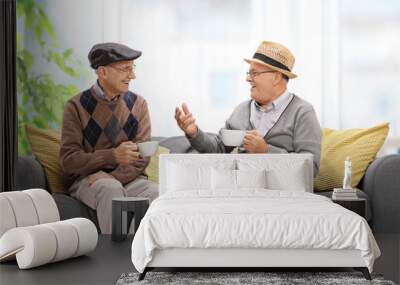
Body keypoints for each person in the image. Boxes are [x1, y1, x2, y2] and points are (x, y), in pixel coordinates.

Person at [175, 41, 322, 175]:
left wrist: (266, 151)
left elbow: (311, 167)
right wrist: (194, 132)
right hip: (243, 192)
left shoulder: (302, 112)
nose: (248, 78)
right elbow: (218, 150)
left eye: (255, 73)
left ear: (276, 77)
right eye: (248, 73)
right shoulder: (242, 110)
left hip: (286, 197)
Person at [60, 42, 158, 234]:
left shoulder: (138, 104)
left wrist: (113, 175)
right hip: (89, 181)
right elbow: (68, 161)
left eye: (133, 68)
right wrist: (111, 156)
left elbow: (142, 157)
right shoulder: (76, 106)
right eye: (125, 69)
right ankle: (117, 259)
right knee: (111, 190)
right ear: (103, 72)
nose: (132, 75)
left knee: (158, 193)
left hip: (130, 179)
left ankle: (145, 256)